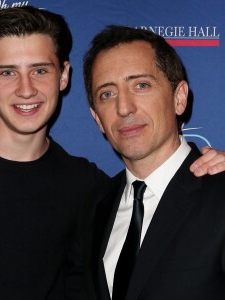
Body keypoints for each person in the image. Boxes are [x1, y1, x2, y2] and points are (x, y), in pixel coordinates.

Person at [0, 7, 224, 300]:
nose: (26, 89)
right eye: (7, 72)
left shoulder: (88, 189)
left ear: (63, 76)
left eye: (40, 70)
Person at [71, 25, 225, 300]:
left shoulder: (219, 194)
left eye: (141, 85)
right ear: (97, 119)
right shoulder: (94, 209)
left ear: (179, 98)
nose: (124, 107)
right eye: (108, 93)